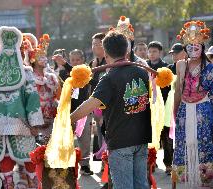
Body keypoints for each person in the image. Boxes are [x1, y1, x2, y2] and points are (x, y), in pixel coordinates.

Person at [71, 31, 151, 189]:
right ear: (127, 51)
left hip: (121, 140)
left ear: (106, 53)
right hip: (141, 138)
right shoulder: (142, 72)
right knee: (141, 185)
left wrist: (67, 120)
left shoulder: (109, 77)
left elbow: (91, 104)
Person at [0, 26, 44, 189]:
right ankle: (33, 184)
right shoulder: (26, 72)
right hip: (21, 123)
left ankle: (9, 185)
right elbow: (32, 99)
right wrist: (35, 123)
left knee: (5, 156)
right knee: (27, 156)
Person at [173, 21, 213, 188]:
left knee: (203, 145)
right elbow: (178, 92)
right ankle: (189, 181)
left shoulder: (210, 68)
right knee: (185, 144)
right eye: (189, 46)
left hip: (204, 111)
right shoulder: (180, 65)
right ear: (185, 47)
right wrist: (175, 113)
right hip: (184, 112)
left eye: (197, 46)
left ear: (203, 47)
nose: (193, 50)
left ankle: (206, 181)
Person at [53, 49, 94, 175]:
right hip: (67, 113)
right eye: (73, 60)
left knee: (85, 140)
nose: (75, 62)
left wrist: (66, 64)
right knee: (66, 140)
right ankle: (67, 165)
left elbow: (83, 77)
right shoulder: (63, 73)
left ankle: (85, 165)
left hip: (83, 111)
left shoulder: (87, 72)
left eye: (78, 60)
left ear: (83, 60)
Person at [27, 33, 59, 143]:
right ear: (32, 60)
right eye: (40, 57)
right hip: (35, 118)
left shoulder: (51, 76)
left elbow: (56, 91)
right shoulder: (29, 77)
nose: (44, 59)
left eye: (45, 56)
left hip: (51, 116)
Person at [147, 41, 173, 174]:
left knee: (166, 137)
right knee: (151, 136)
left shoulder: (166, 68)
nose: (152, 54)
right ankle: (151, 162)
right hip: (149, 107)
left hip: (164, 107)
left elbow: (170, 89)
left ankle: (168, 164)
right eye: (150, 51)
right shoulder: (144, 66)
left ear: (160, 52)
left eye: (154, 51)